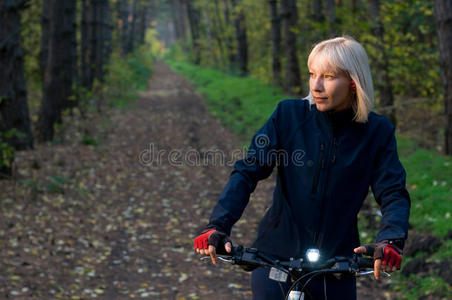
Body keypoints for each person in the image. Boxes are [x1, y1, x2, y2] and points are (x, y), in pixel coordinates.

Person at [193, 36, 410, 299]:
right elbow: (247, 171)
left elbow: (393, 192)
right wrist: (217, 225)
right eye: (312, 74)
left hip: (338, 264)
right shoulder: (288, 115)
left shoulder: (377, 132)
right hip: (274, 256)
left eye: (329, 76)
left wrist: (390, 240)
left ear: (354, 82)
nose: (316, 85)